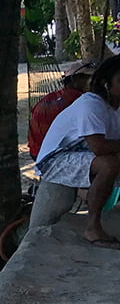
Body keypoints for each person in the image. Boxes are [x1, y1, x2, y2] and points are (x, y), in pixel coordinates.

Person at [31, 55, 120, 244]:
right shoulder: (92, 104)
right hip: (55, 161)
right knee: (109, 164)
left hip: (81, 156)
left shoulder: (115, 106)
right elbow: (99, 147)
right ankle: (92, 228)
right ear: (106, 83)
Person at [28, 60, 94, 159]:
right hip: (52, 155)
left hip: (36, 151)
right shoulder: (79, 100)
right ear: (78, 79)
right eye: (90, 78)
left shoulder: (50, 97)